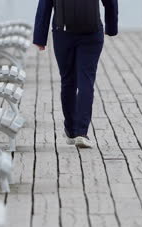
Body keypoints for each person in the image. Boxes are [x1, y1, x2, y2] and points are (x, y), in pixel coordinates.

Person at [33, 0, 118, 148]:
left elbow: (45, 4)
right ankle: (81, 132)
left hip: (62, 33)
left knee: (68, 81)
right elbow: (111, 2)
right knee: (86, 81)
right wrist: (111, 27)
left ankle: (71, 130)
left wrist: (40, 37)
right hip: (92, 32)